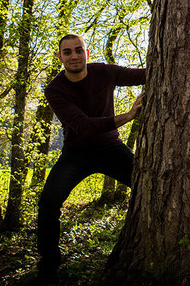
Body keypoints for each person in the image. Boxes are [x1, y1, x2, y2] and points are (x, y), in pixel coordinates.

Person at [36, 34, 145, 282]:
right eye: (67, 52)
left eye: (78, 50)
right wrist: (128, 116)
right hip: (77, 155)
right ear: (60, 57)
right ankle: (49, 264)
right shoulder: (54, 89)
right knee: (48, 204)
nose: (73, 56)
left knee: (150, 186)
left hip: (111, 149)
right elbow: (82, 125)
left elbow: (145, 74)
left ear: (86, 52)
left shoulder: (104, 72)